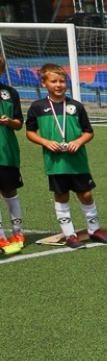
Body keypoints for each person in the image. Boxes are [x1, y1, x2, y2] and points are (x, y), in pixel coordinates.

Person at [24, 63, 107, 248]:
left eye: (62, 81)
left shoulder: (75, 106)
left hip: (77, 161)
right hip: (55, 163)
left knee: (86, 194)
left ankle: (94, 229)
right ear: (44, 83)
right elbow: (30, 132)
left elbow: (88, 132)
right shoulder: (37, 107)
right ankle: (70, 234)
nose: (58, 85)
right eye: (54, 81)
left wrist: (78, 142)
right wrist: (46, 142)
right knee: (61, 195)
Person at [0, 54, 24, 253]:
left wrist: (8, 121)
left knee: (10, 191)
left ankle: (18, 231)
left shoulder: (10, 93)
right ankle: (0, 237)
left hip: (7, 152)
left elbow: (19, 124)